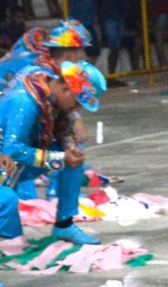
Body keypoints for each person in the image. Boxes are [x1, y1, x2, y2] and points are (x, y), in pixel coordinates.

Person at [0, 60, 106, 246]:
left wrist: (67, 146)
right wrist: (59, 157)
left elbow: (58, 131)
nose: (76, 111)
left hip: (16, 163)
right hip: (7, 164)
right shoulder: (26, 101)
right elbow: (12, 149)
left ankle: (64, 224)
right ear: (65, 90)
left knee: (74, 158)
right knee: (8, 210)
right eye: (76, 105)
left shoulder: (49, 94)